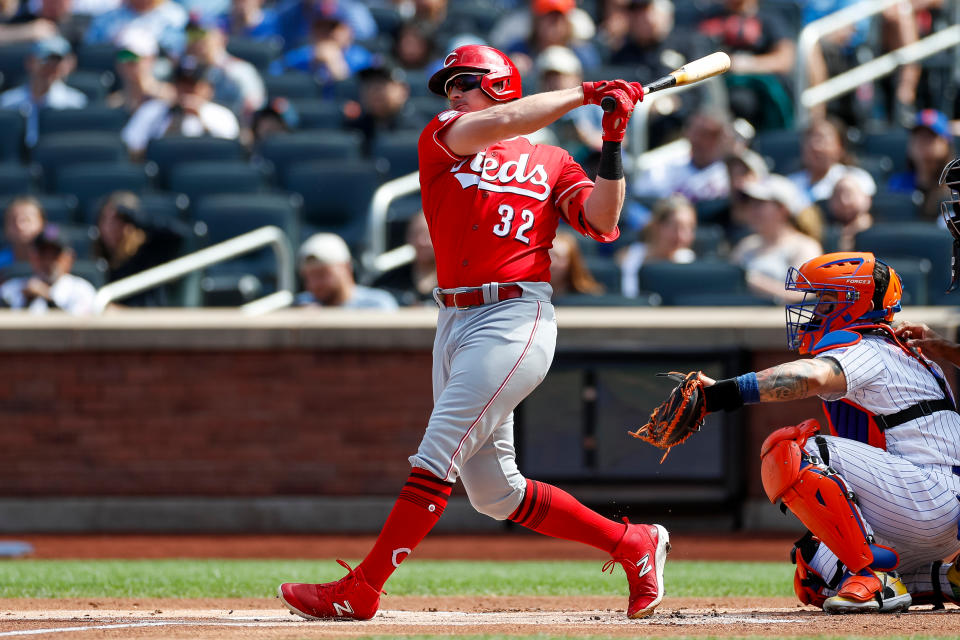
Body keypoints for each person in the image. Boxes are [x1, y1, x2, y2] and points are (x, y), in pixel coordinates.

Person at [277, 44, 670, 622]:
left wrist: (612, 138)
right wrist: (586, 94)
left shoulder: (555, 160)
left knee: (436, 453)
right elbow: (502, 122)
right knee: (494, 494)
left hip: (514, 317)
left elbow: (604, 221)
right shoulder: (446, 134)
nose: (452, 93)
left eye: (464, 81)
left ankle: (362, 589)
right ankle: (632, 543)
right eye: (448, 84)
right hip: (454, 320)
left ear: (501, 81)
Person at [644, 249, 960, 613]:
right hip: (931, 510)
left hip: (928, 498)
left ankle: (874, 577)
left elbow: (810, 376)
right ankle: (943, 579)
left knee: (794, 449)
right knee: (813, 572)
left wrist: (720, 395)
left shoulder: (871, 347)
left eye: (827, 301)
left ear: (854, 304)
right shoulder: (903, 351)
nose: (814, 311)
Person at [608, 0, 711, 147]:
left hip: (685, 130)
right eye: (635, 13)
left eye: (647, 11)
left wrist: (670, 103)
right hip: (639, 135)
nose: (641, 18)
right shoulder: (622, 54)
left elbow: (703, 90)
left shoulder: (687, 43)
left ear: (665, 14)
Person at [696, 0, 795, 130]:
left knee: (743, 101)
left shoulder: (769, 18)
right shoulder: (709, 18)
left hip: (756, 87)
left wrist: (747, 64)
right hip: (718, 83)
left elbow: (784, 60)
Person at [121, 56, 240, 158]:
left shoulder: (221, 115)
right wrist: (167, 133)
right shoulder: (152, 111)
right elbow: (131, 150)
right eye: (181, 84)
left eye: (192, 85)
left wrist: (202, 121)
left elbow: (230, 153)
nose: (186, 91)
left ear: (207, 89)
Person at [730, 173, 822, 303]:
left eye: (760, 204)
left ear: (782, 209)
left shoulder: (805, 247)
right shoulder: (745, 246)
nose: (752, 210)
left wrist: (752, 281)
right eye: (750, 203)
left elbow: (805, 294)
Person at [93, 191, 187, 306]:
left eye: (119, 220)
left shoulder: (148, 251)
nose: (110, 227)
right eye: (105, 220)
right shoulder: (100, 260)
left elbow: (181, 235)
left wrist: (139, 219)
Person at [632, 107, 735, 203]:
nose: (698, 140)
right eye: (695, 132)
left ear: (722, 138)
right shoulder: (665, 165)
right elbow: (639, 198)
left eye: (707, 135)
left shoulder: (732, 171)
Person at [0, 36, 87, 147]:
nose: (50, 67)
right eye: (45, 60)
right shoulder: (7, 102)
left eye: (56, 61)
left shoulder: (76, 104)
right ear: (30, 62)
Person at [184, 12, 266, 120]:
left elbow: (254, 111)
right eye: (193, 34)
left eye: (202, 33)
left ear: (220, 37)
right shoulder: (185, 71)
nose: (197, 40)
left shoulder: (239, 70)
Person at [0, 224, 96, 314]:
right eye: (43, 255)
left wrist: (48, 298)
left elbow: (75, 327)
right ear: (33, 258)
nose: (48, 262)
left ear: (69, 259)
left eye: (55, 255)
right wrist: (26, 302)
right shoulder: (11, 289)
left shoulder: (81, 290)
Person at [618, 194, 696, 298]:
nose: (681, 236)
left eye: (688, 228)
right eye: (674, 227)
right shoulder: (628, 258)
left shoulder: (689, 259)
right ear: (657, 226)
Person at [294, 232, 397, 310]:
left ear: (346, 267)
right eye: (307, 278)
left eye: (321, 274)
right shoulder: (301, 304)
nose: (314, 284)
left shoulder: (378, 304)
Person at [786, 117, 875, 206]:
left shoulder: (857, 179)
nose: (815, 147)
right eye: (809, 140)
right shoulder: (789, 184)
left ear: (840, 147)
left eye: (822, 140)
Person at [886, 109, 955, 222]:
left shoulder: (955, 188)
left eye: (929, 136)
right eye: (916, 135)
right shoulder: (897, 183)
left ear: (945, 143)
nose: (921, 141)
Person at [372, 211, 437, 307]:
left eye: (428, 235)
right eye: (415, 234)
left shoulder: (458, 283)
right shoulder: (389, 282)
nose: (421, 242)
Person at [106, 26, 175, 113]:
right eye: (123, 55)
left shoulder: (170, 99)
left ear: (151, 59)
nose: (126, 62)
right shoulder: (113, 103)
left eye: (132, 57)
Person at [83, 0, 188, 57]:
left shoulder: (175, 16)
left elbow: (177, 53)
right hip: (113, 74)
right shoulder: (107, 18)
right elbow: (90, 49)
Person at [549, 230, 604, 301]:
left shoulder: (591, 300)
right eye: (545, 256)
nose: (551, 263)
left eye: (558, 257)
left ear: (572, 262)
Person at [827, 174, 874, 252]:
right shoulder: (821, 231)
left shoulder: (883, 226)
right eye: (837, 195)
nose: (844, 201)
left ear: (867, 199)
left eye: (849, 194)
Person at [0, 196, 46, 270]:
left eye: (27, 220)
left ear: (42, 223)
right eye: (13, 220)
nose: (19, 226)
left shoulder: (59, 260)